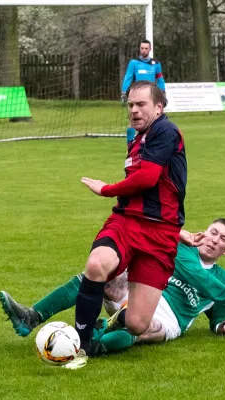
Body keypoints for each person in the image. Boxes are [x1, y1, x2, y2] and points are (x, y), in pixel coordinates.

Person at [0, 218, 225, 358]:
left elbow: (218, 310)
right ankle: (30, 316)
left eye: (223, 239)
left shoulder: (222, 279)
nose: (215, 240)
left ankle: (89, 347)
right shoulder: (183, 251)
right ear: (203, 233)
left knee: (145, 329)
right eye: (213, 232)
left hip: (169, 319)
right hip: (142, 292)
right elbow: (196, 276)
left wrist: (222, 325)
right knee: (99, 276)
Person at [68, 80, 186, 369]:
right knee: (97, 265)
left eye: (141, 104)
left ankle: (159, 329)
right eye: (130, 105)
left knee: (136, 323)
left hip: (160, 233)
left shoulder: (165, 130)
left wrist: (106, 188)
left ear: (159, 107)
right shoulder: (137, 137)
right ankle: (81, 348)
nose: (134, 110)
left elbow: (147, 178)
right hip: (127, 221)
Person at [121, 40, 166, 143]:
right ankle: (130, 144)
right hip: (138, 96)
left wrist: (163, 92)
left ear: (150, 49)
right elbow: (128, 77)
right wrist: (124, 92)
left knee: (155, 119)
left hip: (151, 95)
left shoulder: (156, 64)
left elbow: (160, 79)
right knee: (133, 120)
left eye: (146, 48)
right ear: (139, 49)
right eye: (142, 48)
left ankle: (153, 142)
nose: (144, 50)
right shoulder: (134, 63)